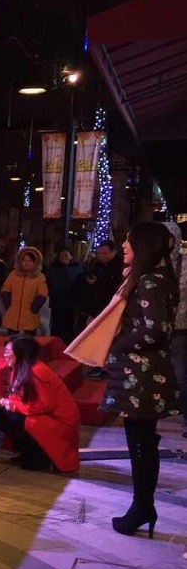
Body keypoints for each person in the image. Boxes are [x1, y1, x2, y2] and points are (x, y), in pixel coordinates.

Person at [101, 222, 179, 538]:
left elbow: (155, 329)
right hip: (141, 374)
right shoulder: (156, 278)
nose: (123, 246)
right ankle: (142, 506)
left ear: (143, 246)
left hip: (142, 376)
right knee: (142, 442)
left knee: (141, 444)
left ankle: (142, 507)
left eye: (129, 241)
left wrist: (117, 344)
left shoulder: (149, 281)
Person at [0, 336, 80, 472]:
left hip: (57, 420)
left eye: (8, 352)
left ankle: (40, 457)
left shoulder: (38, 371)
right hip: (42, 414)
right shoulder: (21, 368)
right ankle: (30, 453)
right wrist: (10, 403)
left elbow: (45, 404)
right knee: (0, 414)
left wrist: (13, 406)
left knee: (8, 417)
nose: (4, 355)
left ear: (21, 353)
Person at [162, 221, 187, 437]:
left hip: (180, 326)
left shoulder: (184, 263)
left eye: (168, 237)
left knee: (180, 373)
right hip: (157, 326)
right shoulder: (151, 264)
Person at [0, 246, 48, 335]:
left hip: (30, 315)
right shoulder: (13, 274)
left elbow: (42, 294)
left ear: (35, 262)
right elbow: (5, 289)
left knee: (28, 339)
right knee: (12, 339)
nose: (27, 263)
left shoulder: (39, 277)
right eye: (24, 260)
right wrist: (8, 304)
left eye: (30, 261)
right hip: (13, 314)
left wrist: (34, 309)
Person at [76, 239, 121, 325]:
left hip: (110, 308)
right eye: (99, 254)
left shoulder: (119, 268)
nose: (101, 256)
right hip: (95, 308)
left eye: (105, 253)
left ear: (114, 252)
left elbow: (112, 288)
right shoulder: (97, 265)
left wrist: (97, 283)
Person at [46, 248, 82, 345]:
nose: (64, 257)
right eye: (62, 255)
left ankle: (67, 345)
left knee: (68, 327)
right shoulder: (53, 268)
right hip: (56, 302)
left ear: (71, 257)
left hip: (70, 304)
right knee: (56, 326)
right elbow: (48, 283)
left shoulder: (76, 269)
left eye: (66, 255)